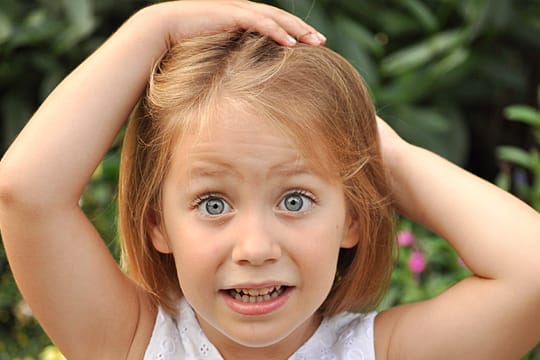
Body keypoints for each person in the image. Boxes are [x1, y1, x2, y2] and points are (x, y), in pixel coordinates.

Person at [0, 1, 538, 359]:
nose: (255, 248)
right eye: (213, 204)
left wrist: (384, 157)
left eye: (296, 199)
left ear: (352, 217)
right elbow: (26, 193)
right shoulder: (136, 344)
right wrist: (153, 28)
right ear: (156, 224)